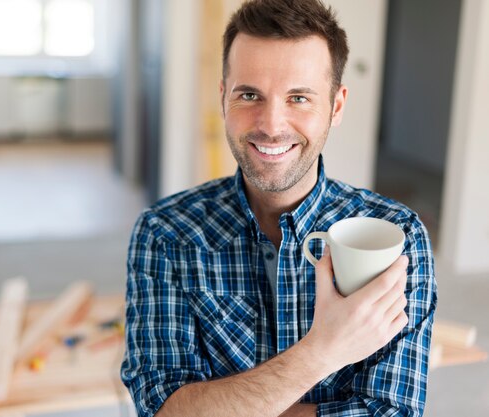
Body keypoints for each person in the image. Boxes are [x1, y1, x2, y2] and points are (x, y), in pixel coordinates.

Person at [121, 0, 437, 416]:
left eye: (299, 98)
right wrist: (324, 350)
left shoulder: (397, 235)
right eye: (249, 94)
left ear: (336, 106)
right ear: (223, 98)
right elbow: (164, 410)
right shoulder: (165, 232)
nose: (271, 124)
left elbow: (392, 411)